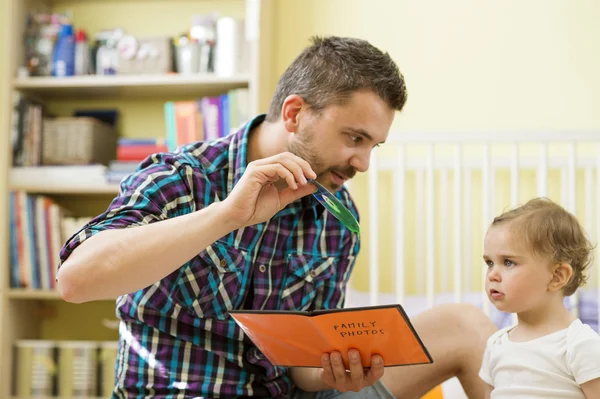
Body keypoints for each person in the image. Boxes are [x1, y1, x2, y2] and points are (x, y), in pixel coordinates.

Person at [57, 36, 497, 399]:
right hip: (180, 391)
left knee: (466, 325)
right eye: (354, 138)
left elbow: (302, 367)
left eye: (372, 146)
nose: (362, 163)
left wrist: (334, 372)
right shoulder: (182, 178)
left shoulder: (334, 220)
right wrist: (227, 216)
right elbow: (75, 281)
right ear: (294, 114)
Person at [480, 197, 600, 398]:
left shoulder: (579, 345)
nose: (492, 274)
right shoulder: (496, 344)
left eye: (508, 262)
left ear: (556, 276)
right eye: (490, 263)